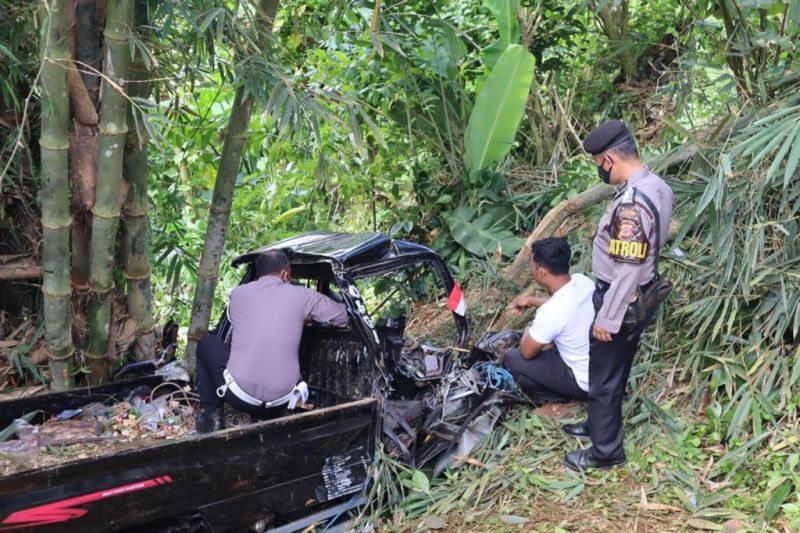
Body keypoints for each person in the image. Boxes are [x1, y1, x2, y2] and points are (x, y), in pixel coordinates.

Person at [563, 120, 674, 471]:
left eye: (598, 163)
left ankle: (606, 451)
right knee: (610, 369)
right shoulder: (655, 184)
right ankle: (599, 424)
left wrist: (607, 318)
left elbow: (627, 268)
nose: (599, 169)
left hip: (621, 298)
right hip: (640, 293)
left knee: (606, 376)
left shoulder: (630, 202)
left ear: (610, 158)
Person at [194, 249, 349, 433]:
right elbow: (344, 317)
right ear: (285, 274)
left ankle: (212, 418)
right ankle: (261, 417)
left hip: (239, 398)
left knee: (206, 343)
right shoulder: (303, 296)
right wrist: (306, 317)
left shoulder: (237, 294)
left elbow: (254, 326)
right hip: (283, 401)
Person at [503, 237, 595, 405]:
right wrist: (532, 301)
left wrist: (529, 329)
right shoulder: (583, 281)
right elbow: (565, 308)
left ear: (541, 272)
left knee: (512, 359)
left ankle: (559, 399)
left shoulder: (550, 313)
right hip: (603, 368)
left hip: (584, 383)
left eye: (532, 265)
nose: (531, 269)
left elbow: (527, 352)